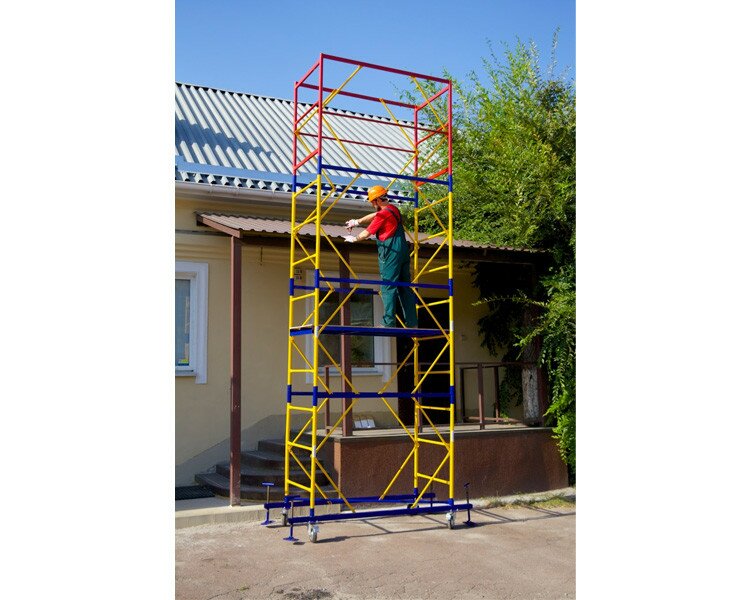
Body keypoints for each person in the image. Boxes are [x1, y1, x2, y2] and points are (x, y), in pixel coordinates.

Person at [343, 185, 418, 328]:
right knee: (404, 287)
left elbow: (366, 233)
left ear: (377, 200)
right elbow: (374, 215)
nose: (372, 204)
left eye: (372, 202)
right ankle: (412, 323)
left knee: (388, 286)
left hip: (390, 251)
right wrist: (357, 221)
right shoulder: (393, 209)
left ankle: (388, 322)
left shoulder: (382, 215)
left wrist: (354, 239)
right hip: (402, 250)